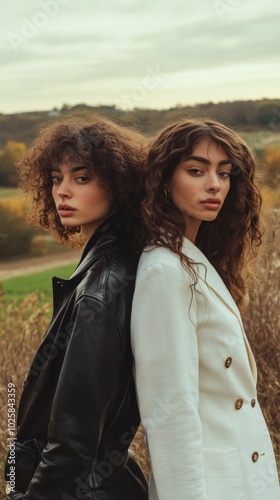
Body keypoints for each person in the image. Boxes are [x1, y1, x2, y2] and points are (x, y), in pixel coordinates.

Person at [131, 118, 280, 499]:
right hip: (213, 486)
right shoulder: (165, 270)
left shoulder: (191, 259)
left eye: (225, 173)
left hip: (245, 477)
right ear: (163, 179)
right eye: (196, 170)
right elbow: (170, 410)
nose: (215, 184)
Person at [5, 116, 148, 500]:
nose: (62, 192)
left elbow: (73, 443)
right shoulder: (110, 264)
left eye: (81, 178)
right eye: (56, 178)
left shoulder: (99, 290)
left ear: (119, 184)